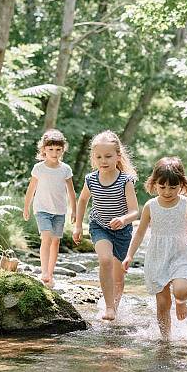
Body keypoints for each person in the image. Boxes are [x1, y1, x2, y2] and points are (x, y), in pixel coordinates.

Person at [122, 157, 187, 340]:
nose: (167, 192)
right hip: (158, 256)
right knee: (162, 303)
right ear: (154, 184)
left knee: (181, 289)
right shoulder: (150, 206)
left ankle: (181, 301)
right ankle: (166, 338)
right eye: (162, 187)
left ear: (181, 185)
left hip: (181, 253)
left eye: (173, 187)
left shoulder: (186, 204)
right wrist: (129, 255)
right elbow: (139, 233)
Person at [73, 130, 138, 321]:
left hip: (122, 232)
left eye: (108, 156)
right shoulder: (91, 179)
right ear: (94, 158)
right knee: (105, 260)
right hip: (99, 226)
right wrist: (78, 226)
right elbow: (82, 200)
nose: (104, 160)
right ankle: (109, 307)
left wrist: (124, 219)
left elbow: (135, 211)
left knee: (119, 276)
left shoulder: (125, 181)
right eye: (99, 156)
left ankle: (115, 307)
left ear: (118, 156)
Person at [24, 129, 76, 288]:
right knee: (46, 238)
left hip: (59, 211)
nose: (54, 152)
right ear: (44, 149)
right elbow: (31, 189)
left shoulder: (65, 169)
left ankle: (50, 275)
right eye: (51, 149)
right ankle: (44, 272)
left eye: (58, 149)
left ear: (63, 150)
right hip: (42, 210)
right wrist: (26, 207)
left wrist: (74, 210)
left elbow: (71, 192)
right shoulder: (39, 168)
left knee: (55, 242)